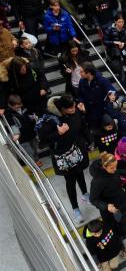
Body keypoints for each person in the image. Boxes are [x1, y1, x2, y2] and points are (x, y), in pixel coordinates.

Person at [37, 94, 91, 223]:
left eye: (74, 107)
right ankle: (75, 208)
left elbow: (82, 126)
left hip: (77, 150)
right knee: (70, 181)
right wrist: (58, 133)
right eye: (71, 108)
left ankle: (85, 194)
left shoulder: (75, 111)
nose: (74, 109)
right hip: (64, 155)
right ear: (62, 108)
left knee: (80, 173)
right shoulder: (50, 119)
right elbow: (42, 140)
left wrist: (89, 140)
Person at [90, 151, 126, 238]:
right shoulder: (97, 182)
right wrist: (106, 206)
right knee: (116, 229)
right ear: (104, 167)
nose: (115, 169)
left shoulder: (113, 170)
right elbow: (93, 199)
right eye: (112, 168)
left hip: (122, 202)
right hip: (111, 210)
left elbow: (118, 171)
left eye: (115, 166)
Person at [77, 61, 116, 137]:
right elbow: (80, 95)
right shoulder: (82, 81)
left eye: (81, 72)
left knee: (108, 132)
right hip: (90, 112)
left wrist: (112, 96)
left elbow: (112, 91)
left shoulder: (102, 80)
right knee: (96, 131)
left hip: (103, 111)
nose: (79, 74)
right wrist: (81, 102)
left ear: (89, 73)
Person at [4, 94, 40, 165]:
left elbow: (27, 116)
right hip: (22, 137)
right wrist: (16, 133)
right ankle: (34, 165)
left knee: (34, 149)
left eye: (19, 106)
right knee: (28, 152)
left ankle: (36, 160)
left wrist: (32, 117)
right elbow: (12, 124)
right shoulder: (8, 113)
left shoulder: (23, 108)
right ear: (10, 105)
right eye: (16, 107)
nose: (18, 108)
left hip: (31, 133)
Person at [103, 14, 126, 91]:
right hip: (115, 54)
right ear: (115, 22)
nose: (121, 24)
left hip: (125, 52)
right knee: (121, 73)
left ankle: (123, 79)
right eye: (119, 22)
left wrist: (124, 44)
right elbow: (105, 41)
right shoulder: (109, 29)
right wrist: (114, 42)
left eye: (122, 22)